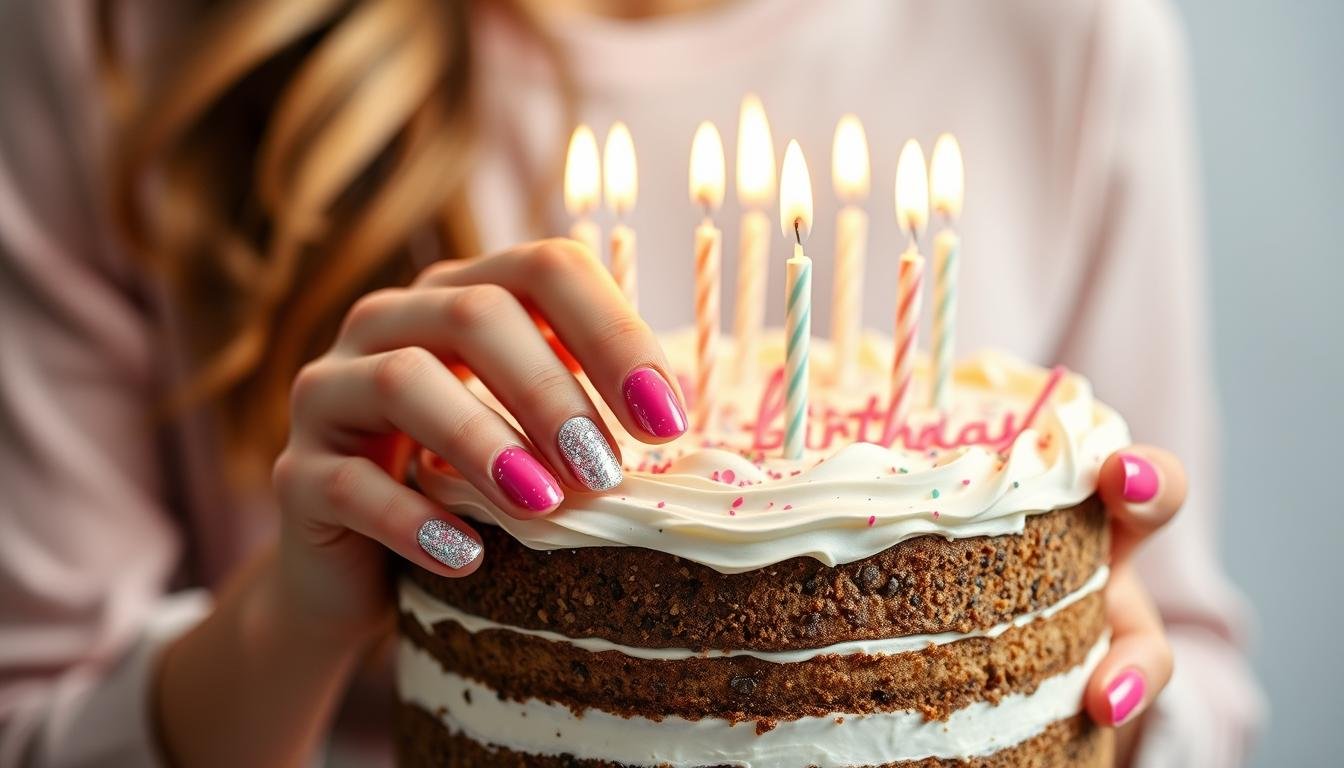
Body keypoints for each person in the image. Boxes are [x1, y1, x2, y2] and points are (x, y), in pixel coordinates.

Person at [0, 0, 1262, 765]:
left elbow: (1193, 667)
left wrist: (1091, 708)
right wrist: (291, 621)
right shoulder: (124, 40)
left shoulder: (1065, 40)